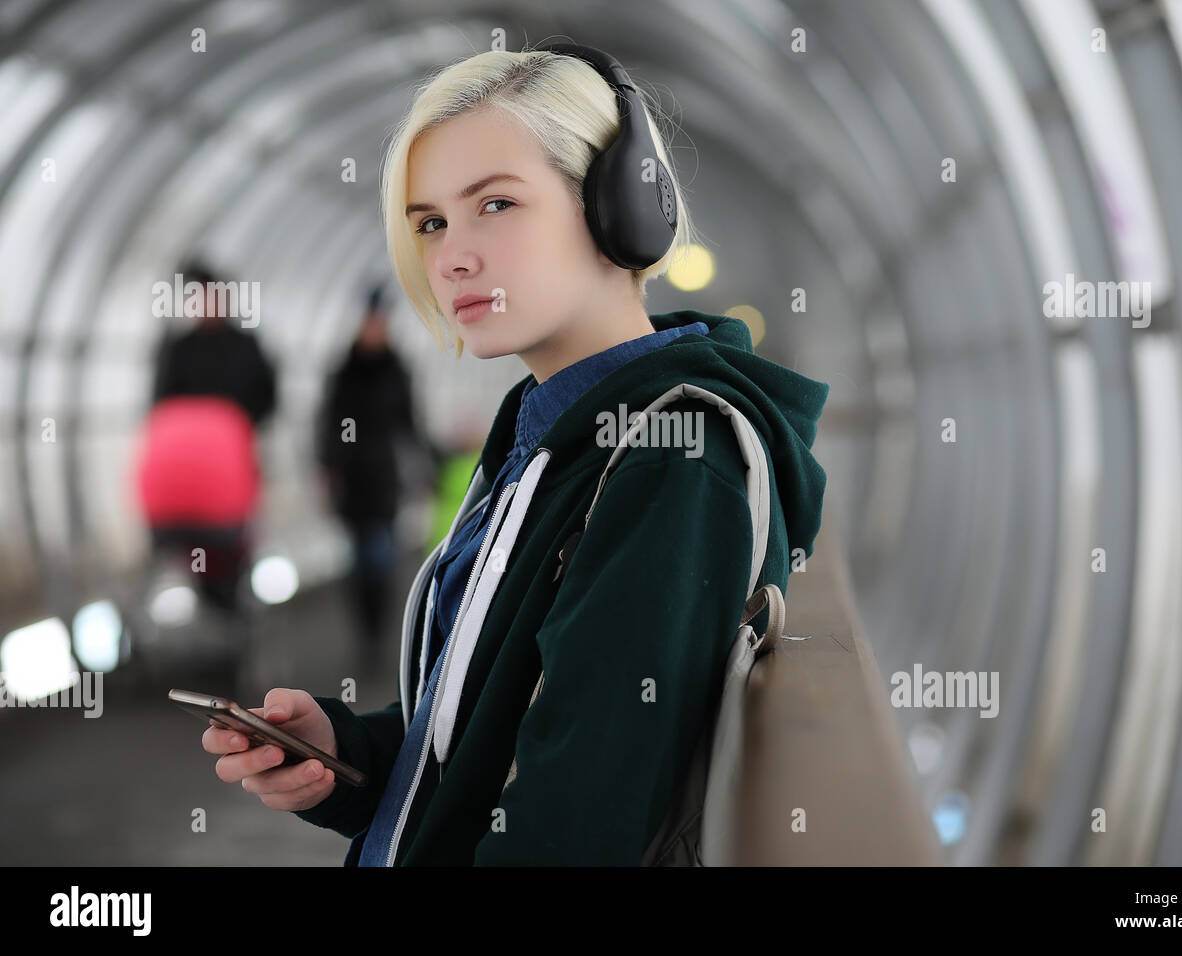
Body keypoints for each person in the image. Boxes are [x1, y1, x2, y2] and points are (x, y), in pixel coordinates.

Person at [199, 43, 829, 865]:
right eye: (429, 223)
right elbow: (495, 736)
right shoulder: (546, 432)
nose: (452, 255)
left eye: (495, 205)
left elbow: (569, 827)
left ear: (621, 208)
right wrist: (349, 757)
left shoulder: (667, 462)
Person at [141, 261, 277, 613]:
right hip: (189, 475)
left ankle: (230, 607)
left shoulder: (244, 347)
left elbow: (266, 398)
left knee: (231, 548)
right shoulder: (179, 350)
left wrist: (232, 429)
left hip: (232, 469)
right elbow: (161, 409)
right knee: (192, 548)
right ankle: (210, 609)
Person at [316, 285, 422, 652]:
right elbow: (328, 425)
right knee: (360, 559)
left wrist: (423, 466)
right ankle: (366, 632)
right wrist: (328, 467)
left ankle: (376, 633)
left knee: (380, 557)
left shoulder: (396, 371)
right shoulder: (345, 373)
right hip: (353, 481)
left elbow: (411, 426)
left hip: (384, 481)